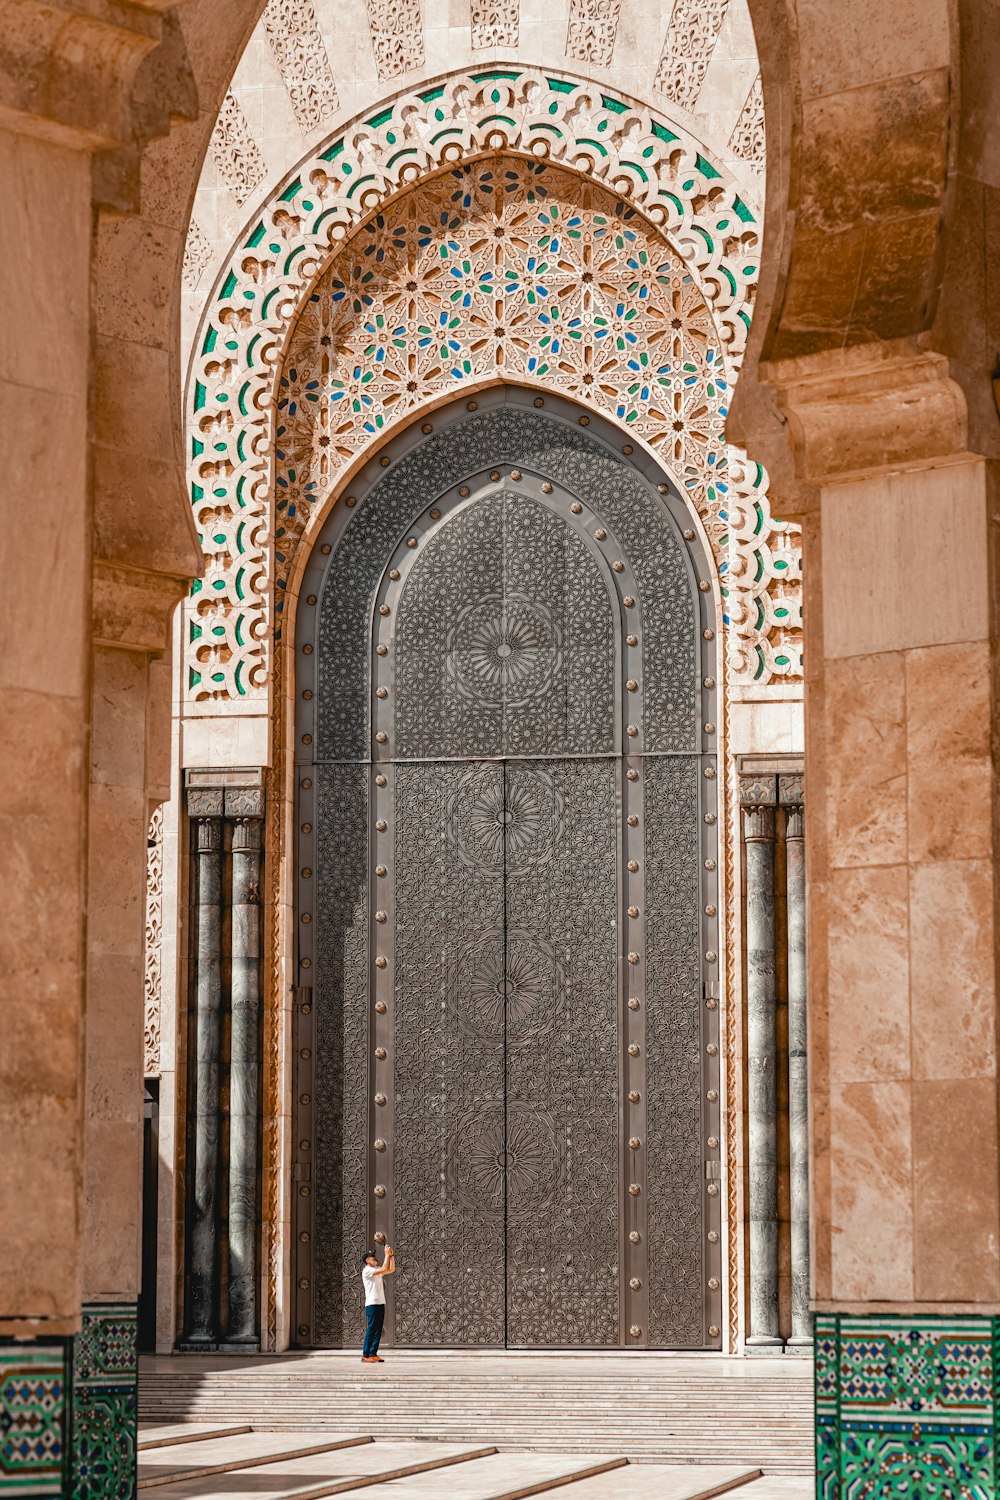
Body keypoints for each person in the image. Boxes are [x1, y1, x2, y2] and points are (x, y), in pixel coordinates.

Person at [360, 1242, 395, 1363]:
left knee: (378, 1329)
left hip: (380, 1302)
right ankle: (366, 1355)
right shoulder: (367, 1270)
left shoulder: (376, 1269)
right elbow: (385, 1268)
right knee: (371, 1329)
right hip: (372, 1303)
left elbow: (391, 1269)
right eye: (372, 1257)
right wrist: (386, 1255)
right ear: (367, 1260)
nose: (375, 1258)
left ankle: (373, 1353)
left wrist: (391, 1256)